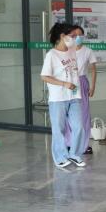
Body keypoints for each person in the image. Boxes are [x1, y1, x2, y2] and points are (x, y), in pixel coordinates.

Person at [40, 22, 85, 169]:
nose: (75, 38)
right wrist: (64, 84)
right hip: (58, 98)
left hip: (74, 96)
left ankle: (74, 154)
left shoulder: (72, 50)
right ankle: (60, 157)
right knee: (58, 129)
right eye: (72, 36)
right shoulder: (51, 55)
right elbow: (44, 76)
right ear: (62, 36)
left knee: (79, 127)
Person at [63, 24, 96, 157]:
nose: (77, 37)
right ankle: (69, 143)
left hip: (81, 83)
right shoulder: (67, 50)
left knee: (84, 114)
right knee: (68, 113)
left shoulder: (88, 51)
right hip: (68, 83)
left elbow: (93, 70)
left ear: (83, 36)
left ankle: (84, 145)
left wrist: (92, 87)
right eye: (74, 35)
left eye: (79, 35)